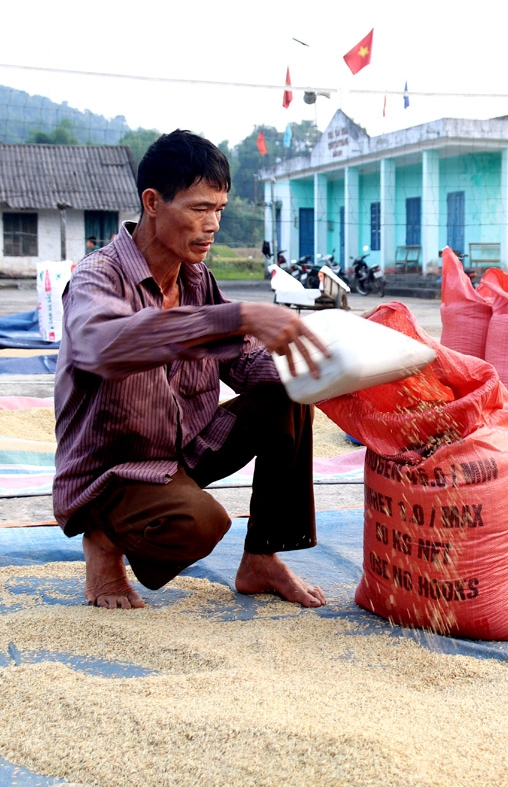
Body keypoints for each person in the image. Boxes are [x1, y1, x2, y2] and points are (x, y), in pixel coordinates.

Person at [53, 130, 329, 610]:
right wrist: (237, 315)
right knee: (201, 523)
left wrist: (334, 369)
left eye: (219, 210)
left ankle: (261, 559)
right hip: (115, 472)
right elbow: (104, 346)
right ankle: (102, 537)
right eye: (200, 208)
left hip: (184, 450)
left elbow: (243, 362)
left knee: (292, 394)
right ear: (153, 202)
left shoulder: (197, 279)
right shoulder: (97, 277)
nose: (213, 224)